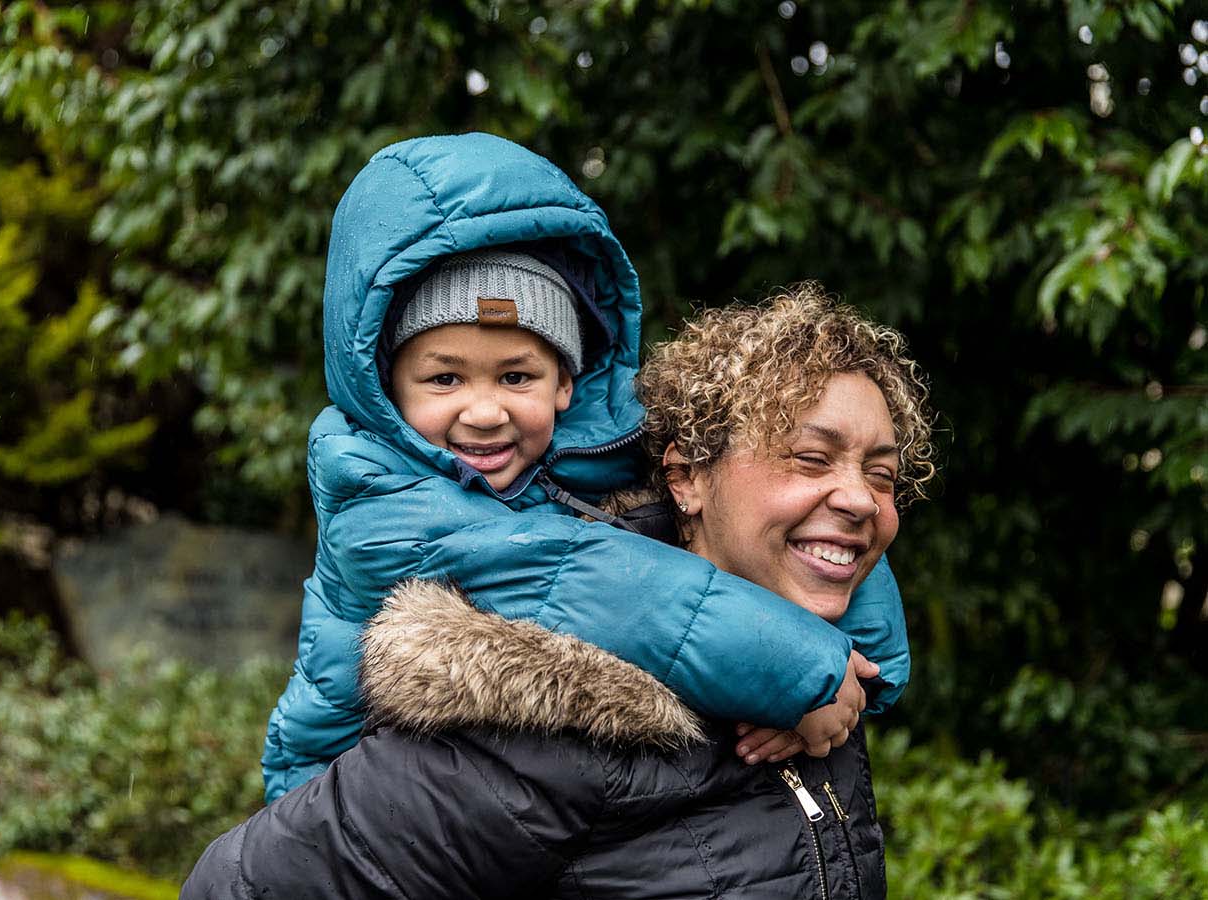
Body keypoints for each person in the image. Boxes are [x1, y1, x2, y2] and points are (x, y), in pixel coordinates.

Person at [183, 286, 936, 899]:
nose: (863, 500)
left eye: (882, 473)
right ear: (684, 477)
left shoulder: (820, 685)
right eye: (810, 458)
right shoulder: (547, 720)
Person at [263, 132, 912, 802]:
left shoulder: (602, 436)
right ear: (388, 385)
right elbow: (582, 578)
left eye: (517, 376)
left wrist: (854, 672)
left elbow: (822, 530)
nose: (485, 412)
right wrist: (797, 669)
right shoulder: (372, 489)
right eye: (445, 379)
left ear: (565, 383)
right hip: (335, 784)